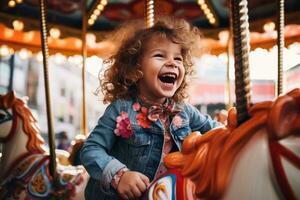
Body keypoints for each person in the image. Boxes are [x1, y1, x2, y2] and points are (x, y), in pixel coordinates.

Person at [80, 17, 221, 200]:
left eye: (178, 58)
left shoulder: (183, 110)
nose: (172, 63)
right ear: (135, 69)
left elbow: (214, 131)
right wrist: (120, 176)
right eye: (160, 55)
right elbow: (91, 149)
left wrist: (238, 127)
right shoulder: (121, 110)